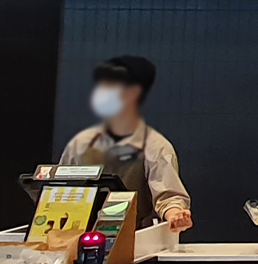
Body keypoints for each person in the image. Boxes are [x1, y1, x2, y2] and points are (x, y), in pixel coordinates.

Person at [59, 55, 193, 231]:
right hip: (75, 234)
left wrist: (175, 215)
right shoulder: (80, 143)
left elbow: (168, 197)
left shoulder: (155, 145)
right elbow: (59, 189)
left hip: (132, 238)